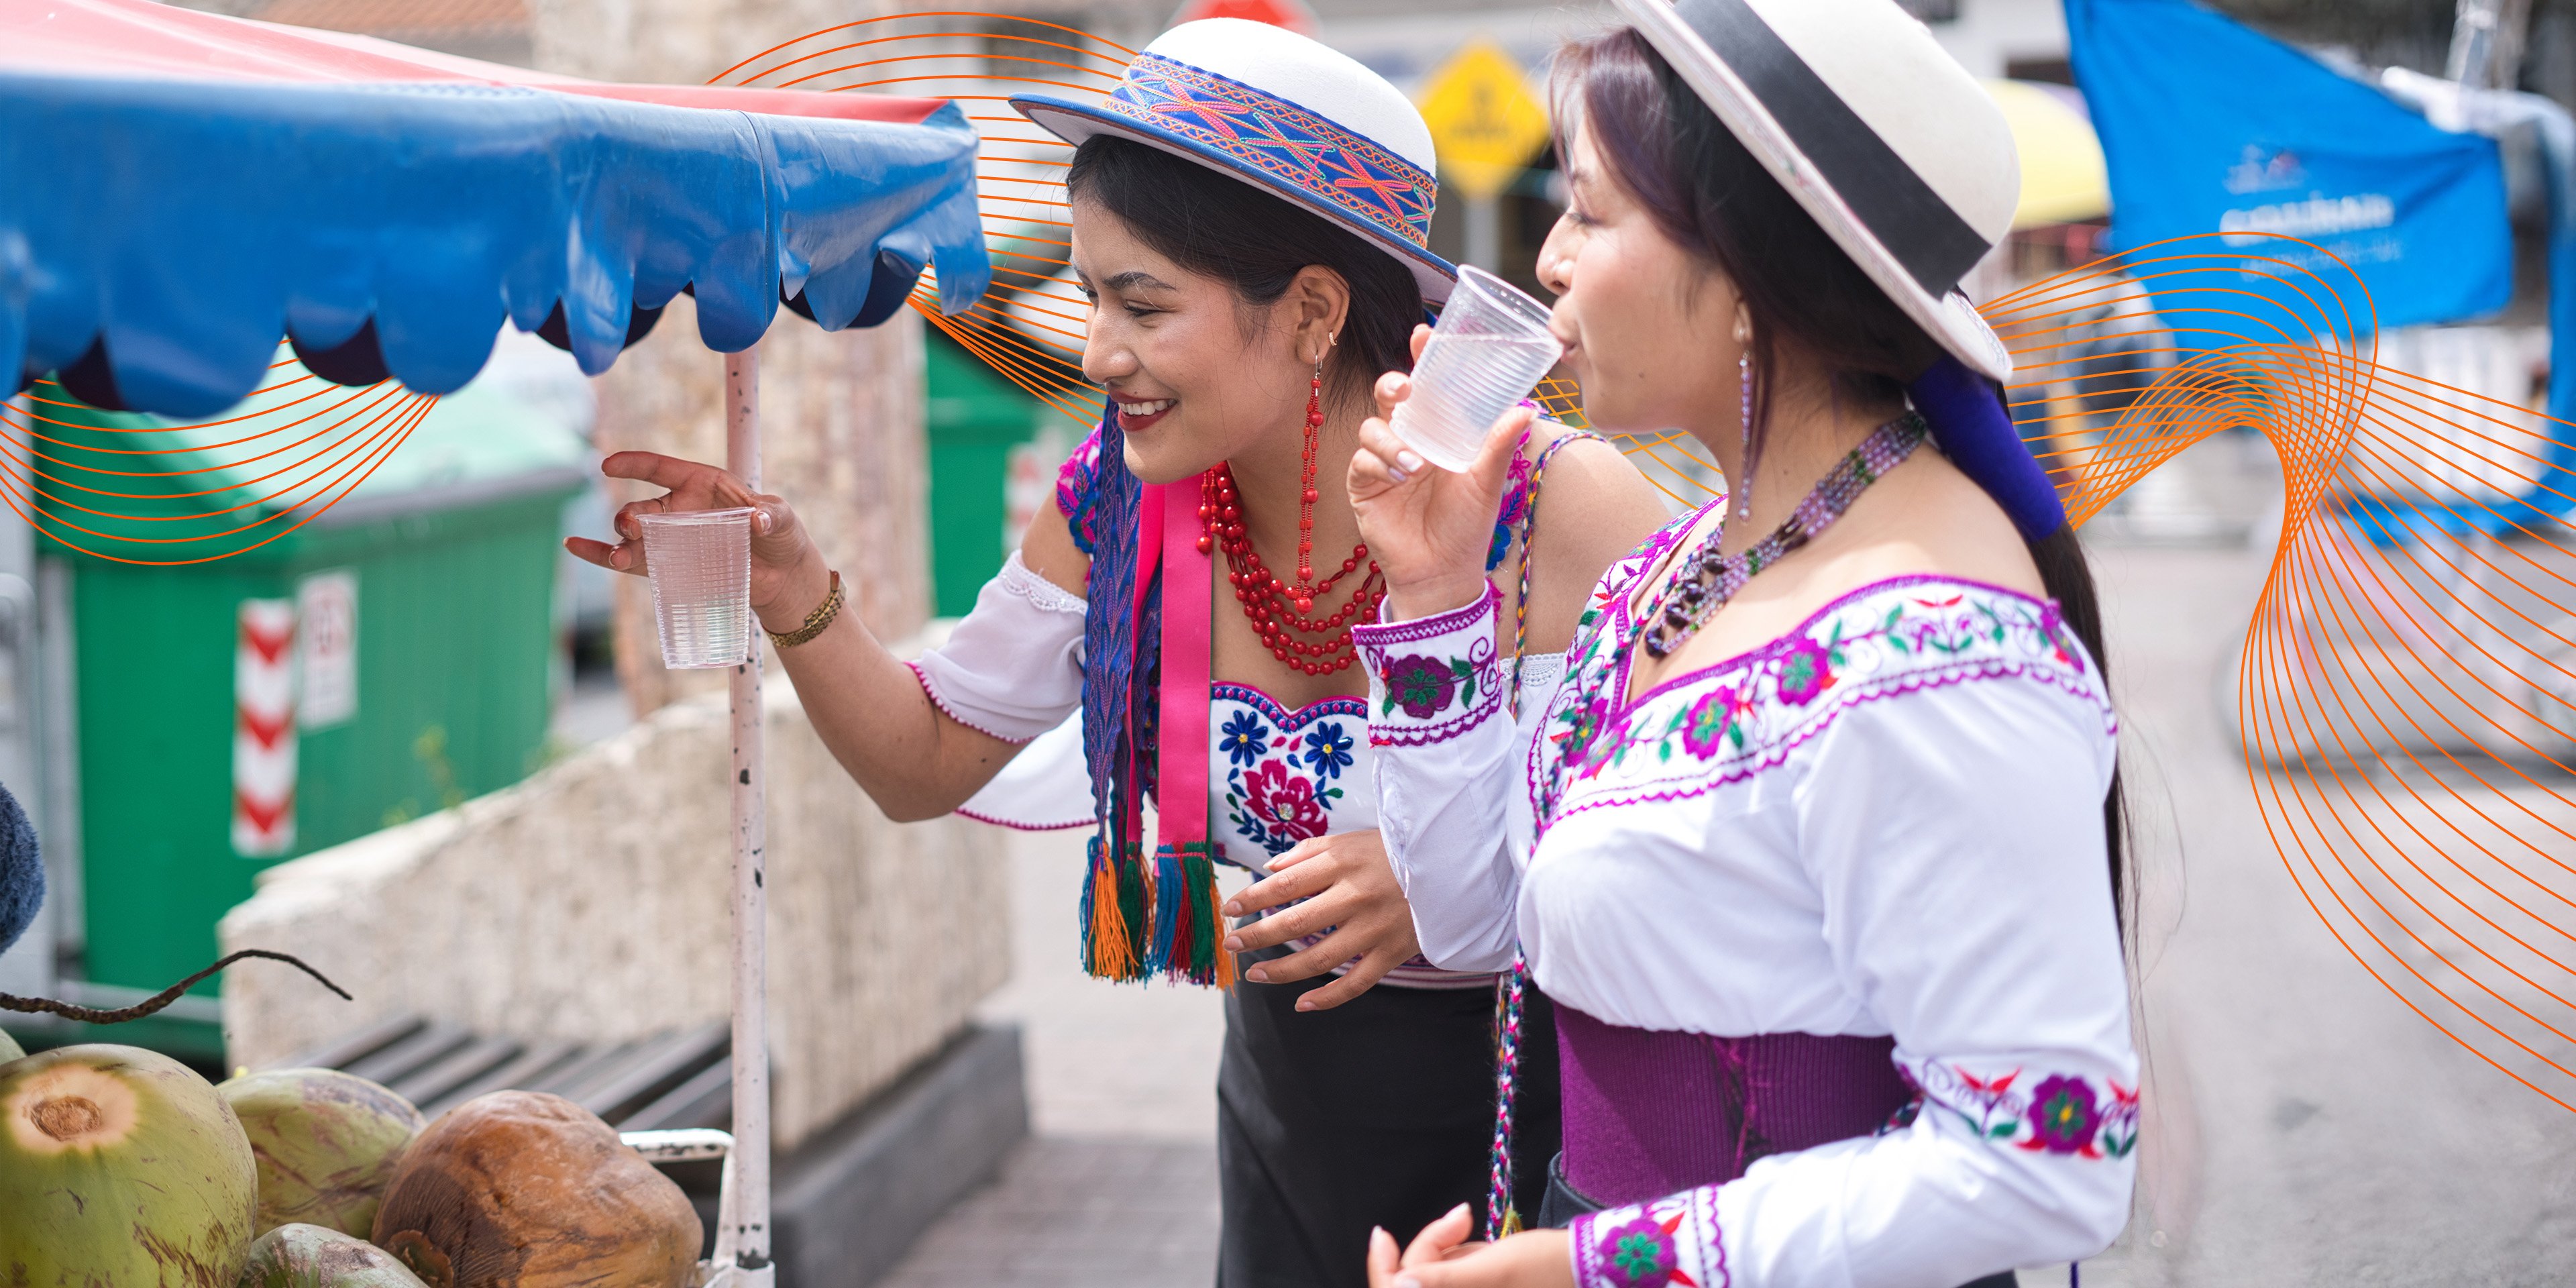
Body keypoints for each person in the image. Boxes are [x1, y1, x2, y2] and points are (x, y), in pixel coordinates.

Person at [566, 18, 1669, 1285]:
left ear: (1312, 310)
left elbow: (1700, 861)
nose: (1098, 353)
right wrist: (797, 593)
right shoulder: (1123, 497)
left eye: (1141, 302)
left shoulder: (1553, 507)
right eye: (1092, 296)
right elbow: (924, 760)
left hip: (1547, 1134)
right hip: (1284, 1135)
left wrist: (1472, 881)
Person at [1344, 1, 2137, 1285]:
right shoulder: (1679, 566)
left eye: (1590, 212)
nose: (1546, 259)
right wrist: (1435, 591)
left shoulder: (1931, 642)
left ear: (1749, 277)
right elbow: (1488, 917)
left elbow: (2043, 1165)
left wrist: (1592, 1264)